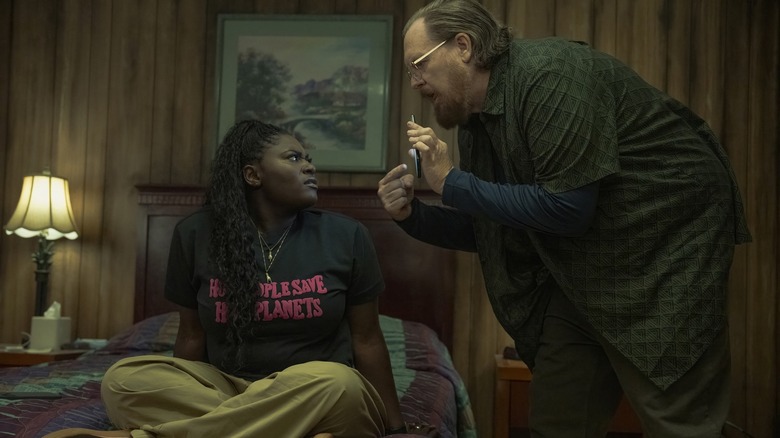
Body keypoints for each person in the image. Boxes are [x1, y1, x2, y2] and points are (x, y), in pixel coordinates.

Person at [377, 1, 751, 436]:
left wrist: (454, 183)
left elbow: (568, 209)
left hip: (666, 250)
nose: (416, 81)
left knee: (680, 424)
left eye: (419, 65)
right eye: (410, 71)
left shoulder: (550, 74)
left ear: (463, 46)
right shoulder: (475, 125)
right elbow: (496, 227)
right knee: (556, 421)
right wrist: (411, 216)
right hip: (581, 270)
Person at [48, 120, 410, 438]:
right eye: (294, 158)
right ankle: (289, 430)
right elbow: (192, 336)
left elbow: (367, 339)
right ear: (252, 175)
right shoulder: (196, 235)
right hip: (226, 389)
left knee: (340, 384)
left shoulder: (346, 236)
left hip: (315, 389)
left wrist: (395, 428)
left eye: (308, 158)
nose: (310, 167)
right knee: (122, 381)